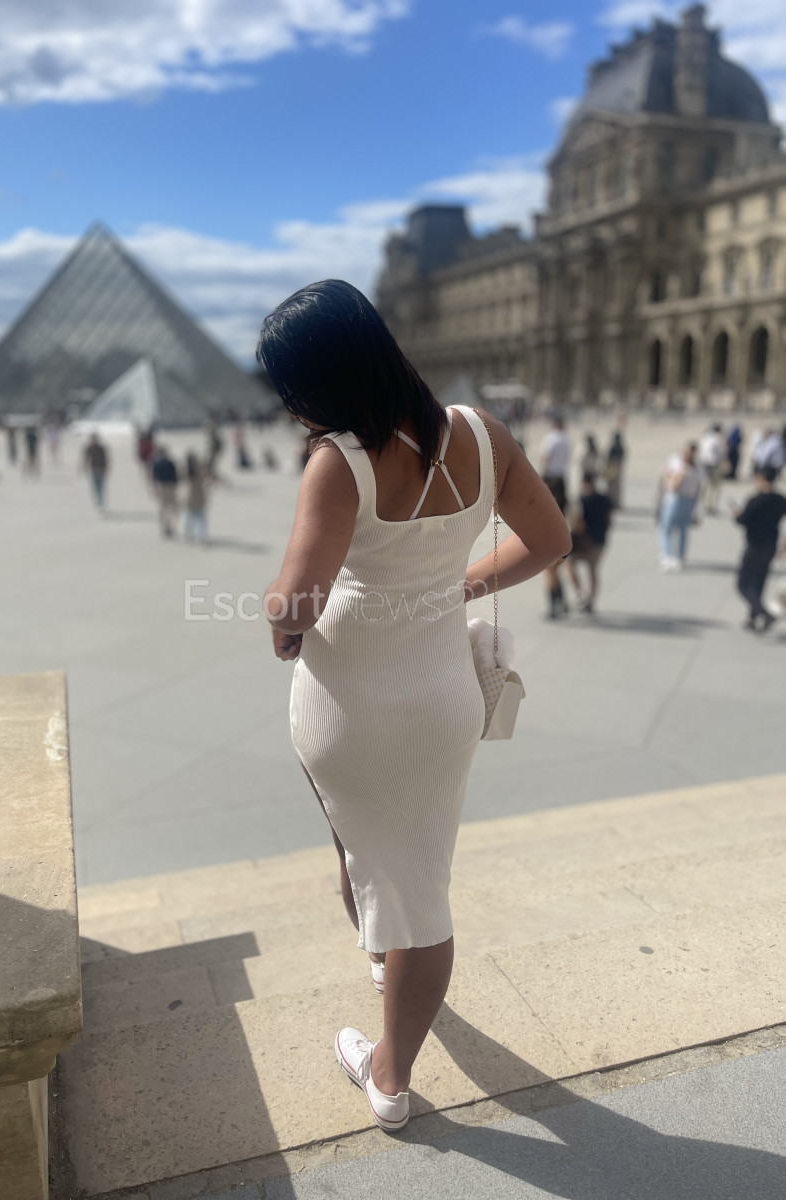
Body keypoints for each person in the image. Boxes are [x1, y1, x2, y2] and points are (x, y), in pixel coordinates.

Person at [257, 279, 570, 1132]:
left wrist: (278, 620)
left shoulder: (339, 461)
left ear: (318, 383)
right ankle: (385, 960)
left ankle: (389, 1079)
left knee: (385, 868)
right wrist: (455, 585)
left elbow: (296, 602)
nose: (290, 409)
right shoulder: (482, 433)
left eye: (290, 390)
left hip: (350, 701)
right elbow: (549, 540)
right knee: (413, 865)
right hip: (441, 697)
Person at [731, 466, 786, 632]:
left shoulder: (756, 500)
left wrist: (736, 514)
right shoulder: (780, 499)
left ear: (761, 478)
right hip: (770, 544)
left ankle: (763, 613)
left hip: (755, 544)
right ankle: (753, 617)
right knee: (759, 581)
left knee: (743, 584)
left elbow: (743, 520)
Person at [565, 472, 613, 614]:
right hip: (599, 541)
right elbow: (609, 521)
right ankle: (591, 601)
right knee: (593, 570)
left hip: (583, 541)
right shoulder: (604, 499)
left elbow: (578, 523)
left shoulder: (580, 500)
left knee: (570, 564)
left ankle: (579, 593)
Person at [538, 414, 571, 619]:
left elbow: (546, 457)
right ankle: (562, 603)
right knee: (555, 571)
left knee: (550, 572)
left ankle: (555, 606)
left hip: (551, 477)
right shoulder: (567, 439)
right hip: (561, 478)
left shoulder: (551, 439)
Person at [658, 442, 703, 571]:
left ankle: (668, 555)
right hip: (689, 500)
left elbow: (672, 486)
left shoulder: (686, 468)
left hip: (677, 499)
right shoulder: (695, 468)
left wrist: (670, 476)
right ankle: (679, 556)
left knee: (667, 528)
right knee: (682, 529)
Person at [151, 445, 179, 537]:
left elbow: (154, 477)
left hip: (161, 486)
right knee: (172, 508)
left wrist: (154, 488)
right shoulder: (170, 462)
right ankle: (169, 526)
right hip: (170, 487)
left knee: (164, 507)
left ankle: (165, 526)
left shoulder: (156, 463)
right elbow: (176, 476)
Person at [697, 423, 725, 515]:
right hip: (714, 464)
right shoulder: (718, 438)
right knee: (715, 487)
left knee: (705, 486)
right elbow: (721, 452)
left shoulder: (705, 437)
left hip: (704, 463)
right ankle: (711, 506)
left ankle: (703, 504)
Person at [184, 452, 209, 544]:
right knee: (200, 517)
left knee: (190, 516)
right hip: (198, 495)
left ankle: (189, 534)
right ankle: (200, 536)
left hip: (191, 495)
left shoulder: (187, 471)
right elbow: (206, 476)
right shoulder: (198, 471)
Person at [82, 432, 109, 512]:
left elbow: (106, 459)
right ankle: (98, 503)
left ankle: (101, 503)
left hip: (101, 469)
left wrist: (106, 469)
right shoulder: (89, 448)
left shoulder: (101, 448)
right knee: (95, 487)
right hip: (93, 469)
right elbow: (86, 459)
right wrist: (85, 467)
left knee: (101, 487)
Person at [605, 430, 626, 509]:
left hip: (612, 469)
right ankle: (614, 502)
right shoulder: (620, 447)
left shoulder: (615, 447)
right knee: (615, 487)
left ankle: (613, 502)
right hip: (616, 469)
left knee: (612, 487)